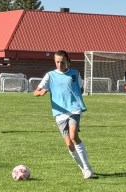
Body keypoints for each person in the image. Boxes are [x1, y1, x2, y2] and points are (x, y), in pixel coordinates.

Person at [34, 50, 95, 179]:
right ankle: (83, 168)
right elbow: (36, 92)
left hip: (74, 108)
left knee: (73, 136)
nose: (60, 65)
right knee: (69, 144)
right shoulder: (50, 75)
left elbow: (80, 88)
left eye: (62, 62)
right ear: (54, 61)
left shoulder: (75, 74)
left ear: (67, 61)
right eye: (57, 62)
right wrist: (42, 92)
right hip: (59, 111)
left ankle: (87, 167)